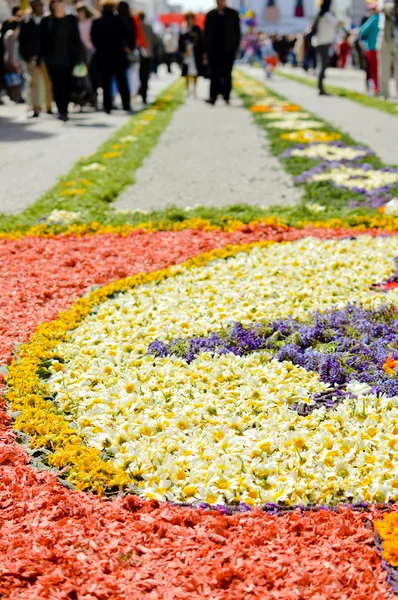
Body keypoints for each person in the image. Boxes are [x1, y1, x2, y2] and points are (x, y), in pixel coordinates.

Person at [40, 0, 80, 120]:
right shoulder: (46, 20)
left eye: (59, 1)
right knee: (56, 85)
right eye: (55, 2)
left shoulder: (71, 19)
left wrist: (77, 57)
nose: (58, 4)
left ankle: (65, 109)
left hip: (68, 58)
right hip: (52, 59)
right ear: (51, 5)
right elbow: (42, 40)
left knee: (66, 84)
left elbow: (76, 39)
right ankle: (60, 110)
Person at [91, 0, 131, 113]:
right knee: (122, 81)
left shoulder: (98, 21)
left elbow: (93, 39)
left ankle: (107, 106)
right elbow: (128, 35)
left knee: (106, 82)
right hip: (118, 54)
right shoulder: (120, 20)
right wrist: (127, 47)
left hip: (103, 55)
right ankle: (126, 104)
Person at [19, 0, 53, 117]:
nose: (39, 7)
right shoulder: (26, 20)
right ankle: (35, 108)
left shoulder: (48, 19)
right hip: (32, 57)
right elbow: (22, 41)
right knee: (33, 83)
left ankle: (48, 106)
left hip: (46, 56)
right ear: (32, 6)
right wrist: (26, 56)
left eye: (41, 5)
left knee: (48, 82)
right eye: (37, 5)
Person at [204, 0, 241, 105]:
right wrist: (207, 50)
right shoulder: (210, 15)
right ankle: (213, 96)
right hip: (214, 51)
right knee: (214, 74)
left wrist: (235, 47)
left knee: (227, 73)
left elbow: (237, 33)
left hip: (228, 51)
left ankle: (226, 95)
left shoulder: (232, 14)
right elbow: (206, 34)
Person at [312, 0, 338, 95]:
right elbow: (336, 22)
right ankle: (320, 87)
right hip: (323, 42)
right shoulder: (326, 14)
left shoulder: (320, 14)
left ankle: (320, 86)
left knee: (322, 64)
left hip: (319, 42)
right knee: (323, 65)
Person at [179, 13, 204, 96]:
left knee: (195, 71)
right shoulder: (183, 28)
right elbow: (180, 41)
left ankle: (194, 88)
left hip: (195, 52)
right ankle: (187, 88)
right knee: (186, 71)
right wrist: (182, 52)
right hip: (186, 53)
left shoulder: (196, 28)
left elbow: (201, 41)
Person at [359, 2, 380, 93]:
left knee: (372, 69)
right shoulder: (381, 18)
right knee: (377, 69)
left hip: (371, 47)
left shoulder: (373, 19)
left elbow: (362, 30)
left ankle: (375, 87)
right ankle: (376, 87)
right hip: (378, 47)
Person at [138, 11, 157, 105]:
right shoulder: (149, 27)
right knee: (145, 77)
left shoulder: (136, 27)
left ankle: (140, 91)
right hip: (147, 55)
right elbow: (155, 40)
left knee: (138, 76)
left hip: (137, 56)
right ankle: (144, 95)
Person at [3, 17, 23, 103]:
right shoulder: (11, 34)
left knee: (14, 79)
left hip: (10, 59)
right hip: (12, 60)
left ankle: (16, 97)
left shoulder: (9, 34)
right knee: (14, 79)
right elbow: (12, 50)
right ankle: (16, 97)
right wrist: (14, 62)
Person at [378, 2, 396, 99]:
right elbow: (380, 8)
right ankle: (384, 92)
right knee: (384, 66)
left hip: (395, 33)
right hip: (384, 35)